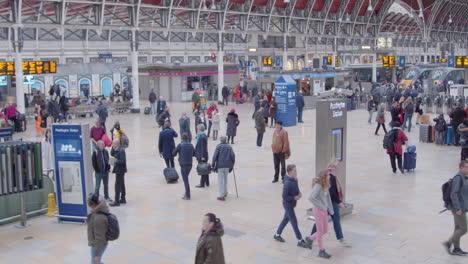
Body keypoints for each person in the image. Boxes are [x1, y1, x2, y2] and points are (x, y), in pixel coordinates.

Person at [310, 163, 351, 249]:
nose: (338, 170)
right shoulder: (331, 177)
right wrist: (339, 202)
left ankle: (311, 238)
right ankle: (312, 239)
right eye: (337, 168)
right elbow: (331, 192)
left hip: (329, 204)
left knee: (322, 223)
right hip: (330, 204)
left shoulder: (332, 176)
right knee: (334, 221)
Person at [273, 164, 310, 248]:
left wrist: (299, 193)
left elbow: (296, 188)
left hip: (292, 204)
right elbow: (284, 196)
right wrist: (294, 197)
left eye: (296, 170)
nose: (296, 172)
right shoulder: (287, 183)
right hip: (288, 205)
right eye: (294, 171)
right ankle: (300, 240)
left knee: (286, 219)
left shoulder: (294, 179)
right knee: (294, 222)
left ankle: (277, 234)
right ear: (290, 172)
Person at [305, 170, 335, 259]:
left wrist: (331, 210)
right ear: (324, 177)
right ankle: (321, 251)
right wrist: (321, 206)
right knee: (320, 231)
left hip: (324, 211)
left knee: (325, 230)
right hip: (318, 211)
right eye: (328, 176)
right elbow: (311, 197)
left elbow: (328, 198)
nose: (329, 177)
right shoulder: (318, 186)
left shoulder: (326, 185)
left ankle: (310, 239)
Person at [442, 160, 468, 256]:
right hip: (458, 208)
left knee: (457, 228)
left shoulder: (464, 177)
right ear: (461, 168)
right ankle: (448, 243)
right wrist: (457, 208)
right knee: (464, 228)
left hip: (461, 207)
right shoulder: (458, 177)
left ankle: (456, 249)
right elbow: (454, 194)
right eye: (467, 166)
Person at [87, 193, 110, 264]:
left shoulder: (99, 218)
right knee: (97, 262)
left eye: (88, 203)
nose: (88, 204)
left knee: (95, 262)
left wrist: (96, 254)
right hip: (98, 244)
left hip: (98, 245)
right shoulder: (97, 211)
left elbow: (99, 238)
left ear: (93, 205)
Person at [212, 136, 235, 201]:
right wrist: (232, 164)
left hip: (220, 165)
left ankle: (221, 195)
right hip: (227, 165)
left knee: (220, 180)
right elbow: (233, 156)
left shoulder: (218, 146)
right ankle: (225, 192)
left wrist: (213, 165)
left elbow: (215, 156)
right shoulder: (229, 147)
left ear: (221, 140)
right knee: (225, 179)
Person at [173, 133, 195, 200]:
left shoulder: (180, 145)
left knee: (185, 180)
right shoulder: (191, 145)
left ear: (182, 138)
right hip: (190, 164)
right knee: (186, 179)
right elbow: (194, 153)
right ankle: (186, 193)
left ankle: (188, 195)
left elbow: (174, 153)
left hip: (183, 165)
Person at [109, 139, 127, 206]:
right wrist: (112, 147)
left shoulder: (121, 151)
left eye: (114, 144)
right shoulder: (116, 149)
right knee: (121, 184)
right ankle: (123, 198)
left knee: (117, 185)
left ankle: (117, 201)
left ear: (118, 144)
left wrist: (115, 162)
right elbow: (112, 153)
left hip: (120, 170)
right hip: (119, 170)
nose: (112, 145)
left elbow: (122, 161)